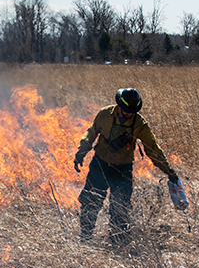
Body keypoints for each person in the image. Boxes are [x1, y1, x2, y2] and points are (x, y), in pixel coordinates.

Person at [72, 88, 179, 245]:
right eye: (127, 110)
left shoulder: (140, 124)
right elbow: (91, 133)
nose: (129, 113)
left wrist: (168, 170)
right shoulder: (104, 114)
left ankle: (118, 242)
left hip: (123, 169)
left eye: (132, 111)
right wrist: (81, 153)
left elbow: (153, 149)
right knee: (91, 201)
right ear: (119, 105)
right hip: (100, 165)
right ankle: (85, 237)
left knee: (120, 207)